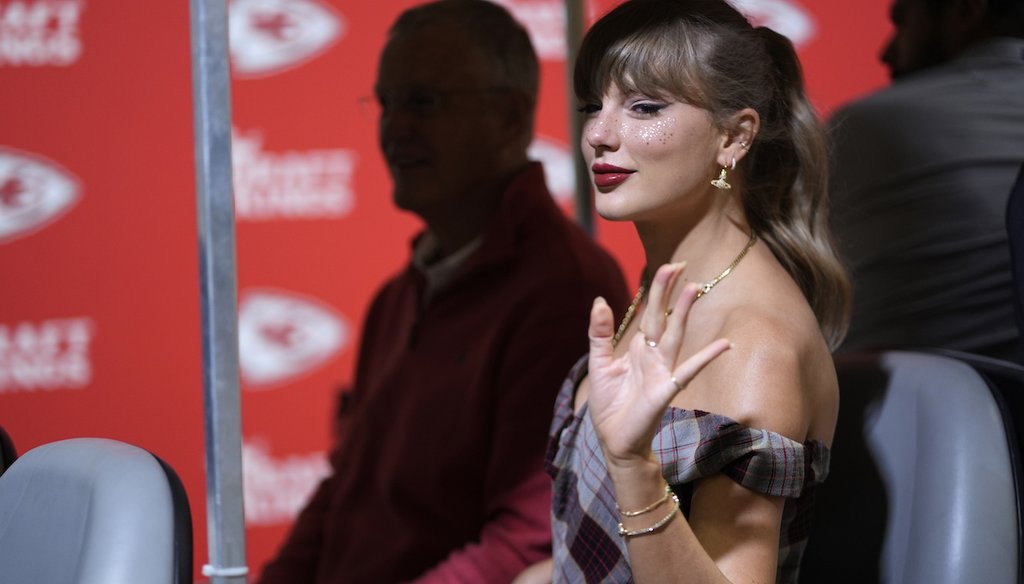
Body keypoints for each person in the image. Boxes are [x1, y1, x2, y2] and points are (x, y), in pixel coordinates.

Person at [256, 1, 630, 583]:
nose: (394, 127)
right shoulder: (397, 297)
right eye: (387, 104)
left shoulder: (566, 293)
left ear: (509, 117)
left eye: (424, 103)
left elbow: (527, 547)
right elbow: (344, 490)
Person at [513, 1, 852, 583]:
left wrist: (633, 468)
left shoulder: (752, 346)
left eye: (644, 107)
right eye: (594, 105)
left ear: (734, 136)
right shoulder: (670, 288)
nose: (597, 133)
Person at [828, 0, 1024, 360]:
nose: (886, 52)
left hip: (885, 407)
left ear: (967, 13)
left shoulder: (866, 124)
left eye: (902, 23)